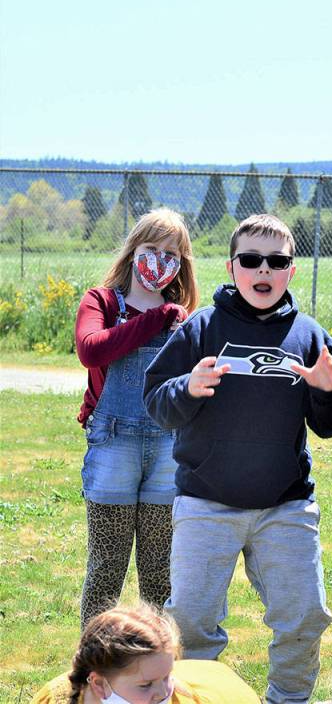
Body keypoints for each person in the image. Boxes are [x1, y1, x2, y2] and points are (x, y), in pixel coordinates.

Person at [143, 214, 332, 704]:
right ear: (231, 267)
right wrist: (187, 387)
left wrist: (328, 391)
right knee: (191, 621)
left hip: (285, 506)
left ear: (291, 271)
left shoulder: (309, 336)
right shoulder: (201, 328)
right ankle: (196, 698)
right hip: (206, 503)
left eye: (277, 262)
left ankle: (289, 699)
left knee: (304, 615)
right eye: (252, 259)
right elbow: (155, 400)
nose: (264, 270)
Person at [74, 208, 200, 628]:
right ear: (133, 251)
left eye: (171, 254)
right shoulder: (102, 302)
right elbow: (92, 348)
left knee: (160, 573)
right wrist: (155, 319)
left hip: (167, 449)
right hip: (113, 446)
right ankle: (95, 661)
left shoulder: (182, 317)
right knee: (106, 570)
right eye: (151, 248)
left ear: (182, 263)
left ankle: (157, 661)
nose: (160, 260)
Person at [31, 603, 260, 703]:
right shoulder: (54, 699)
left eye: (168, 676)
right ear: (99, 684)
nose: (163, 692)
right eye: (146, 685)